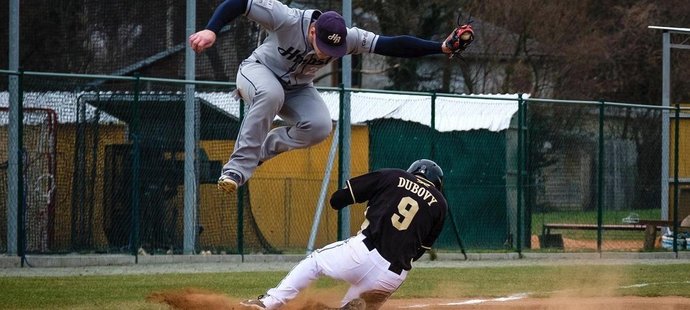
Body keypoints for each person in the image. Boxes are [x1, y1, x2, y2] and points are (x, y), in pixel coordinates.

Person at [188, 0, 473, 194]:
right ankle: (236, 170)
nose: (325, 53)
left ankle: (258, 154)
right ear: (313, 30)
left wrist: (440, 47)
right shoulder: (286, 19)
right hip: (258, 72)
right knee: (271, 93)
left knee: (320, 126)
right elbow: (240, 2)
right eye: (322, 45)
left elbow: (392, 45)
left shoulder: (348, 38)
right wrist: (212, 29)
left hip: (298, 88)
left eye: (332, 50)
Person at [239, 159, 448, 310]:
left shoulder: (394, 176)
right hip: (392, 276)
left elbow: (342, 197)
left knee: (316, 262)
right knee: (352, 305)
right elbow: (419, 251)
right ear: (437, 184)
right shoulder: (440, 205)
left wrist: (337, 201)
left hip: (363, 253)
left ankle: (267, 303)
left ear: (411, 171)